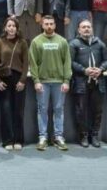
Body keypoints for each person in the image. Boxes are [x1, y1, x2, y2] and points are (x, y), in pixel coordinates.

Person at [29, 15, 72, 151]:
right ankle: (43, 137)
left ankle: (58, 137)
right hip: (43, 82)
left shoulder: (62, 41)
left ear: (55, 25)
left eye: (51, 24)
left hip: (59, 82)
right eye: (46, 24)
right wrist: (36, 80)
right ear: (42, 25)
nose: (49, 26)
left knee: (59, 110)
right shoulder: (36, 41)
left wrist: (66, 80)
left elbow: (67, 62)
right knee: (42, 110)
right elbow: (33, 63)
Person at [69, 19, 107, 148]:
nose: (86, 29)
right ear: (79, 30)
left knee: (97, 111)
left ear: (92, 29)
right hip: (81, 82)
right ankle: (83, 136)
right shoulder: (74, 44)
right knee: (81, 111)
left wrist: (101, 69)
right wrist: (84, 70)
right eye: (83, 27)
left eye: (89, 27)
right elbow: (70, 62)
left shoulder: (100, 43)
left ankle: (95, 136)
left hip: (98, 82)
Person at [0, 17, 28, 151]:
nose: (11, 28)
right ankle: (7, 140)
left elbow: (26, 63)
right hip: (4, 80)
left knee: (18, 111)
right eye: (9, 26)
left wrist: (22, 80)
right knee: (5, 110)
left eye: (14, 26)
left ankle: (18, 139)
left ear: (17, 28)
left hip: (18, 79)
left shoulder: (22, 42)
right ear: (5, 28)